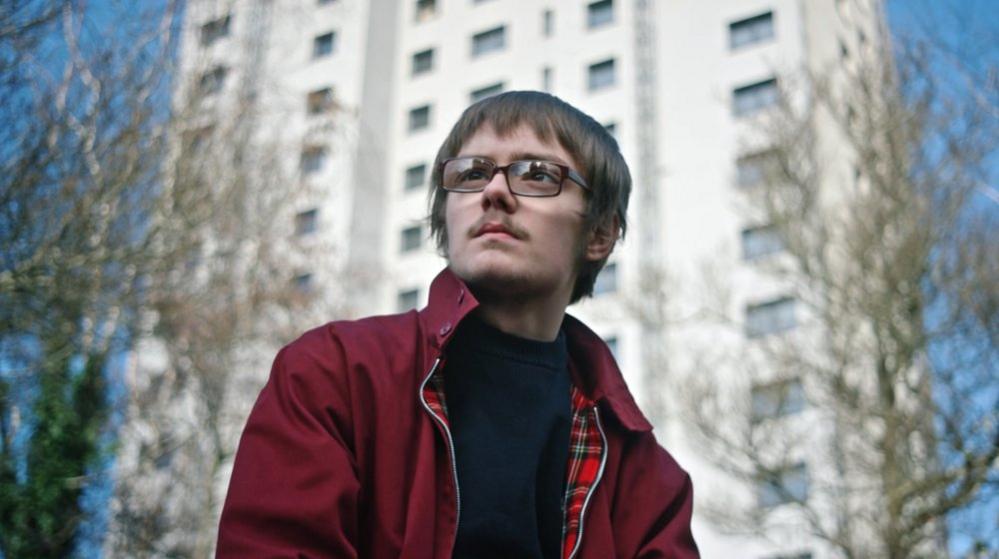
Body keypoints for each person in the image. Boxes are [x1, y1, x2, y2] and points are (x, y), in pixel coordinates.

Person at [216, 91, 699, 559]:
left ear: (599, 233)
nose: (493, 192)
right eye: (471, 173)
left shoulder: (648, 480)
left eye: (536, 174)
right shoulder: (332, 374)